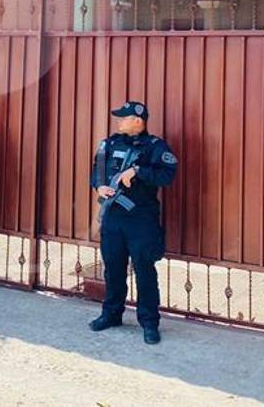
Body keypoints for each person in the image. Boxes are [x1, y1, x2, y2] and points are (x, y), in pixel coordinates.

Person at [88, 101, 178, 344]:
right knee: (113, 269)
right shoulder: (109, 143)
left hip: (141, 219)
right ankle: (111, 314)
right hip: (113, 218)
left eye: (123, 118)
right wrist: (100, 186)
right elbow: (96, 171)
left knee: (144, 271)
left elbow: (168, 175)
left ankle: (149, 323)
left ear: (138, 121)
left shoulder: (155, 147)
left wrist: (138, 172)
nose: (118, 121)